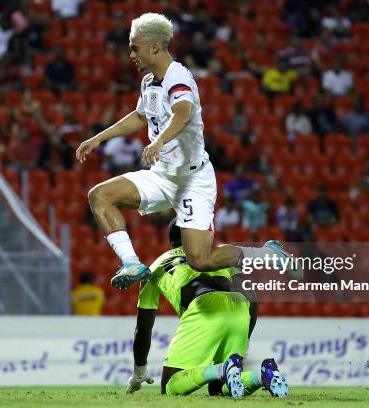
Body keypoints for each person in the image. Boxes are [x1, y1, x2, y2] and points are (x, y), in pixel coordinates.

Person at [75, 13, 294, 290]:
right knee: (99, 195)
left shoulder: (178, 76)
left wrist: (158, 142)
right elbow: (141, 116)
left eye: (134, 47)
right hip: (162, 175)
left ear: (154, 47)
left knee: (201, 260)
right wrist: (98, 138)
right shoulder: (149, 81)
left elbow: (184, 112)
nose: (130, 54)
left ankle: (264, 254)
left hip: (193, 181)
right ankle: (131, 263)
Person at [126, 219, 288, 398]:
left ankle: (223, 369)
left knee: (171, 387)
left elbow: (143, 328)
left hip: (205, 307)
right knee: (219, 390)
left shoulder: (155, 267)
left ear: (171, 242)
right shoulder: (216, 254)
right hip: (240, 307)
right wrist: (244, 337)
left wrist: (139, 372)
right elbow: (251, 296)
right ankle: (262, 375)